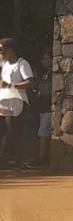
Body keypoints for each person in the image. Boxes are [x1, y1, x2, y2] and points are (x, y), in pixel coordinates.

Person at [0, 37, 35, 168]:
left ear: (9, 50)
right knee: (3, 131)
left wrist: (11, 85)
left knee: (12, 131)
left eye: (2, 50)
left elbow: (30, 82)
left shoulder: (22, 63)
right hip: (3, 102)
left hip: (17, 102)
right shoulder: (4, 65)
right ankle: (7, 159)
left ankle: (18, 159)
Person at [35, 48, 52, 168]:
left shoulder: (52, 75)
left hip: (48, 108)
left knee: (43, 133)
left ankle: (41, 159)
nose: (42, 61)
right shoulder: (45, 74)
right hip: (42, 107)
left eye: (45, 59)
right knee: (42, 133)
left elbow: (45, 90)